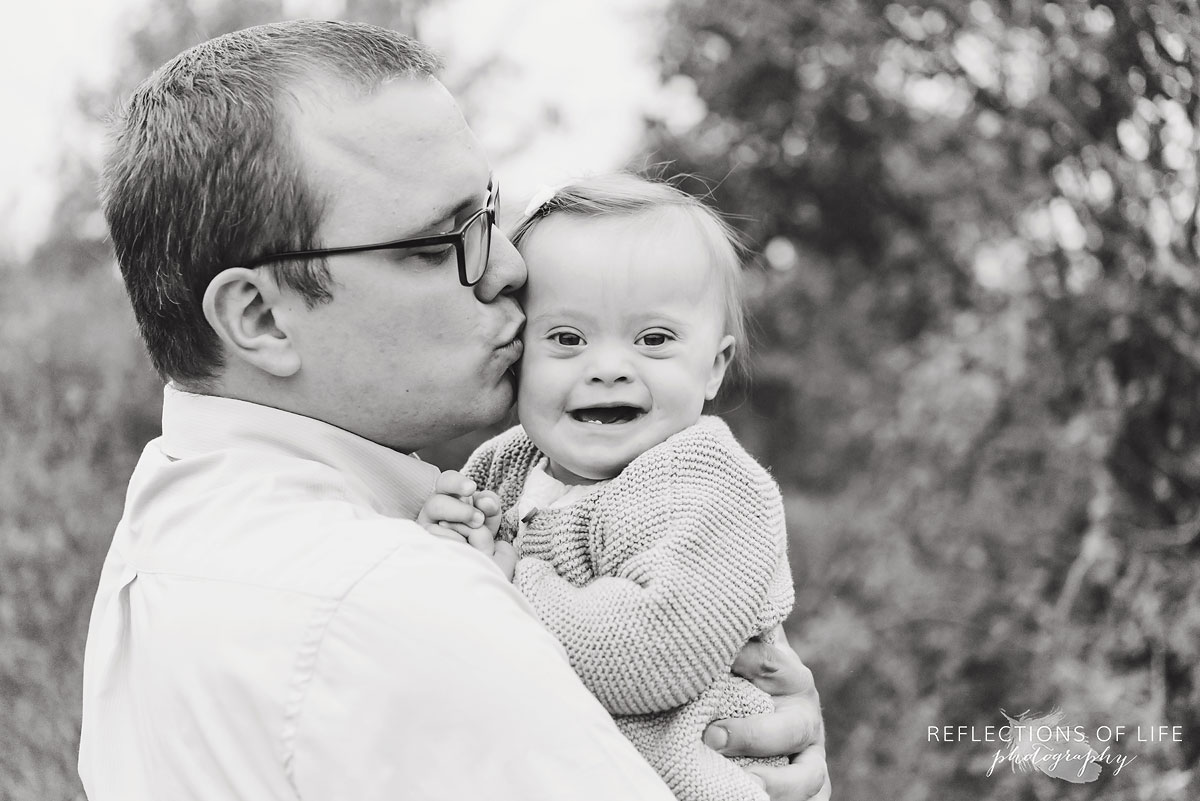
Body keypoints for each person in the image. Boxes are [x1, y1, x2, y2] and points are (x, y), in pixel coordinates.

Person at [78, 19, 830, 801]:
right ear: (262, 317)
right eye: (439, 243)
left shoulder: (165, 525)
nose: (509, 266)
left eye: (490, 211)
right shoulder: (409, 602)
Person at [418, 173, 796, 801]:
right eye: (567, 339)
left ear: (714, 367)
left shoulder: (713, 485)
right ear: (518, 354)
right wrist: (444, 536)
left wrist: (504, 580)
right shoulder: (502, 468)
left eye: (654, 339)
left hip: (691, 780)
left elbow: (657, 652)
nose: (610, 367)